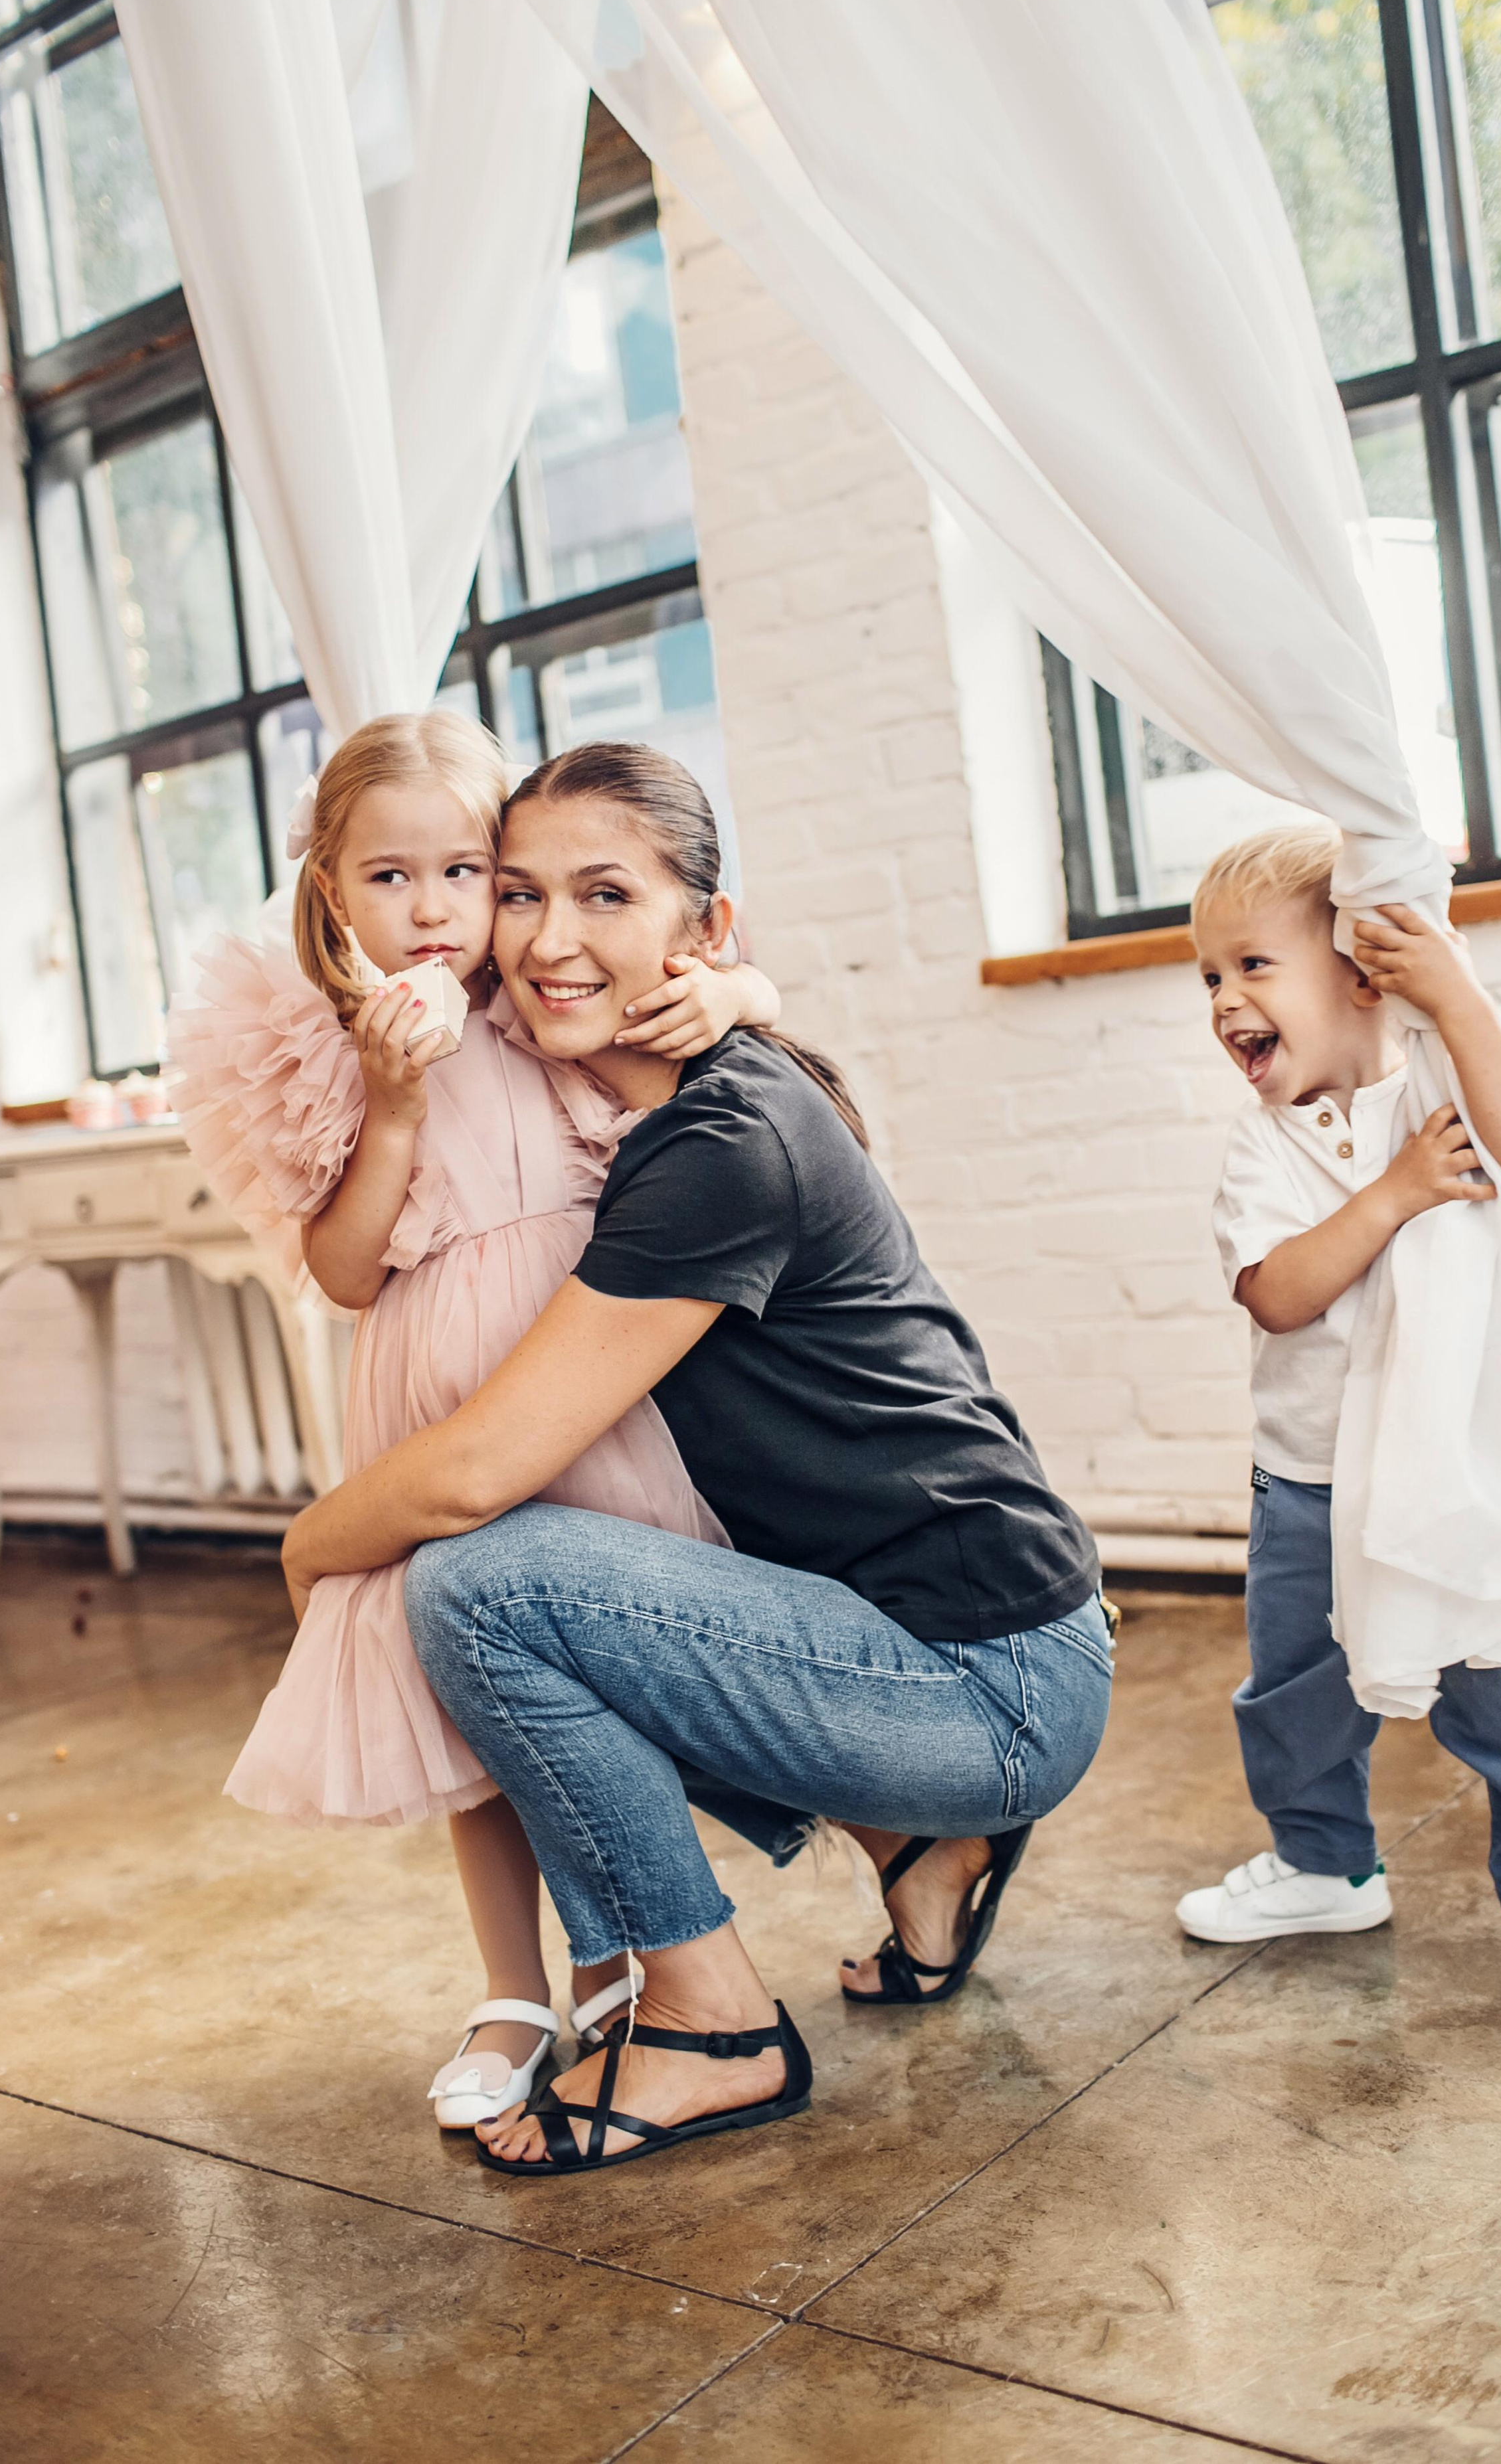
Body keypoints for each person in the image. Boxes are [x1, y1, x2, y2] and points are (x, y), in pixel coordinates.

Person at [279, 740, 1112, 2177]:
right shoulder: (657, 1091)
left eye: (604, 896)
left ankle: (709, 2024)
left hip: (994, 1686)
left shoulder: (721, 1142)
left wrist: (300, 1548)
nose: (545, 940)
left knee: (483, 1582)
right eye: (521, 895)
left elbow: (472, 1478)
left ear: (702, 932)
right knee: (571, 1566)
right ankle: (919, 1847)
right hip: (941, 1646)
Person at [167, 712, 781, 2133]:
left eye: (466, 873)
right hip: (428, 1395)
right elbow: (338, 1269)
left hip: (579, 1391)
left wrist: (739, 998)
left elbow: (720, 1017)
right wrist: (389, 1101)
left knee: (584, 1687)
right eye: (389, 878)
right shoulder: (326, 1044)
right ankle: (514, 1988)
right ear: (330, 889)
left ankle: (626, 1956)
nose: (434, 910)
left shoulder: (548, 997)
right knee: (468, 1710)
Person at [1174, 825, 1501, 2046]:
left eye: (1251, 965)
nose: (1223, 1000)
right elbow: (1281, 1293)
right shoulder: (1265, 1147)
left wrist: (1452, 988)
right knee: (1295, 1694)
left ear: (1362, 973)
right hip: (1310, 1486)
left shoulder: (1444, 1081)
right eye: (1207, 978)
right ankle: (1326, 1864)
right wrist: (1396, 1191)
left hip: (1461, 1475)